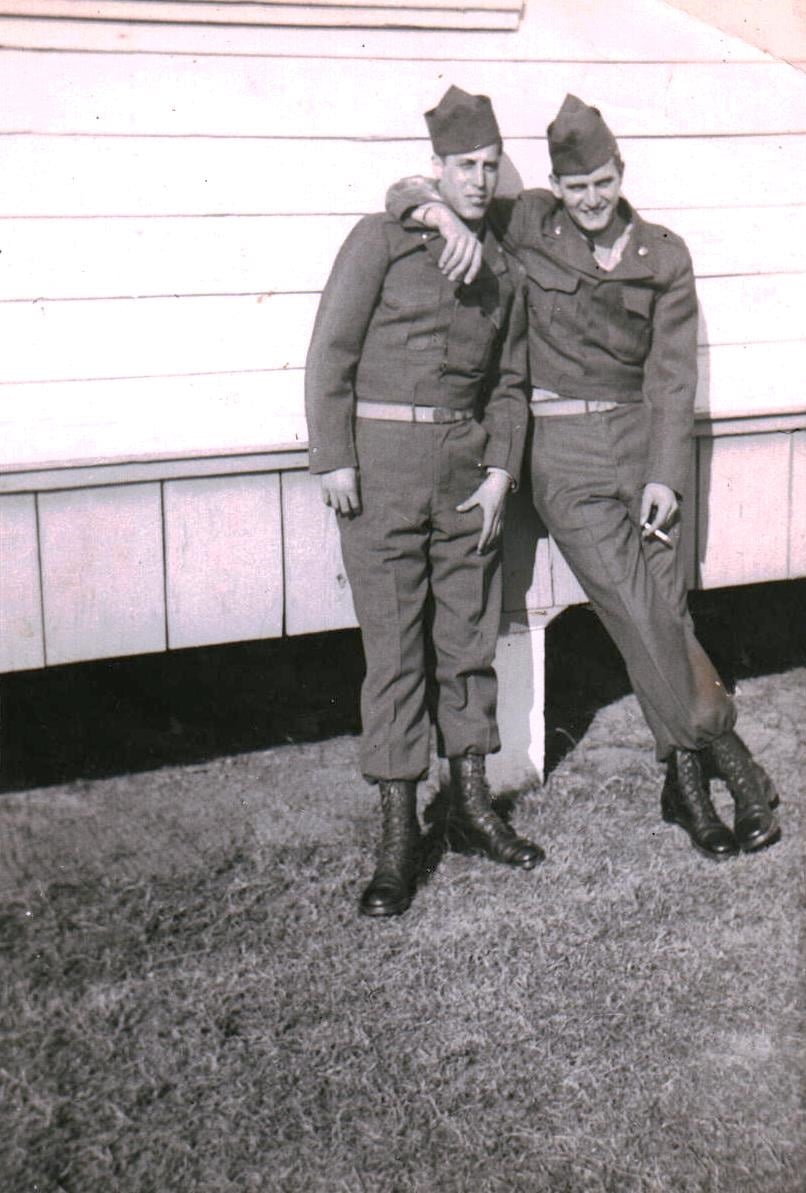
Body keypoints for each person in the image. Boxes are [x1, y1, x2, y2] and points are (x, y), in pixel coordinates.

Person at [384, 93, 780, 861]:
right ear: (555, 188)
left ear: (620, 173)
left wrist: (666, 473)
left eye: (602, 182)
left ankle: (684, 787)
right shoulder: (530, 222)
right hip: (564, 453)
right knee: (636, 607)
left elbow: (672, 378)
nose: (591, 199)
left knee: (664, 609)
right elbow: (406, 191)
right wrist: (436, 216)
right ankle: (736, 766)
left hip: (643, 443)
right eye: (575, 187)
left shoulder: (663, 255)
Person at [305, 86, 542, 918]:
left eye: (489, 166)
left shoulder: (504, 271)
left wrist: (500, 471)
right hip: (381, 469)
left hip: (465, 475)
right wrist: (334, 456)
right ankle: (400, 836)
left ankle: (472, 808)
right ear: (436, 167)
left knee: (467, 641)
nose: (478, 180)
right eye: (464, 165)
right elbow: (331, 351)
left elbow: (509, 385)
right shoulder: (381, 240)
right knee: (395, 651)